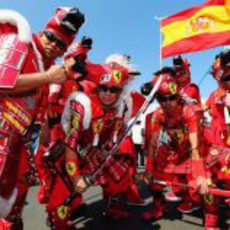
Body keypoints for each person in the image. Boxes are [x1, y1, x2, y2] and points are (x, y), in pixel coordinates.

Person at [0, 7, 85, 229]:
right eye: (51, 38)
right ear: (42, 32)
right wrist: (46, 77)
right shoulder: (20, 41)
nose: (55, 46)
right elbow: (2, 81)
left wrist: (44, 129)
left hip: (21, 142)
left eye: (61, 45)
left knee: (15, 204)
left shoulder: (48, 68)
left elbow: (39, 111)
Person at [44, 54, 142, 229]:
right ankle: (59, 221)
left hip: (96, 148)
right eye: (103, 88)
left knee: (121, 167)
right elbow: (71, 145)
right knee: (62, 189)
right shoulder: (82, 105)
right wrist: (75, 178)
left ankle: (113, 205)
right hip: (71, 148)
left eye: (114, 90)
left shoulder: (123, 106)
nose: (108, 94)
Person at [142, 68, 217, 229]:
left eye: (172, 98)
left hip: (198, 149)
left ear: (178, 96)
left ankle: (211, 217)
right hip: (176, 150)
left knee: (206, 184)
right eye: (162, 99)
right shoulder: (158, 115)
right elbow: (152, 144)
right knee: (153, 178)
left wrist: (200, 175)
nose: (167, 103)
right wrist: (148, 168)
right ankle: (158, 207)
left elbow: (195, 147)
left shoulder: (189, 112)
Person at [204, 50, 230, 228]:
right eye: (220, 73)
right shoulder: (215, 94)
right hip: (216, 144)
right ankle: (211, 220)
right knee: (207, 180)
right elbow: (202, 110)